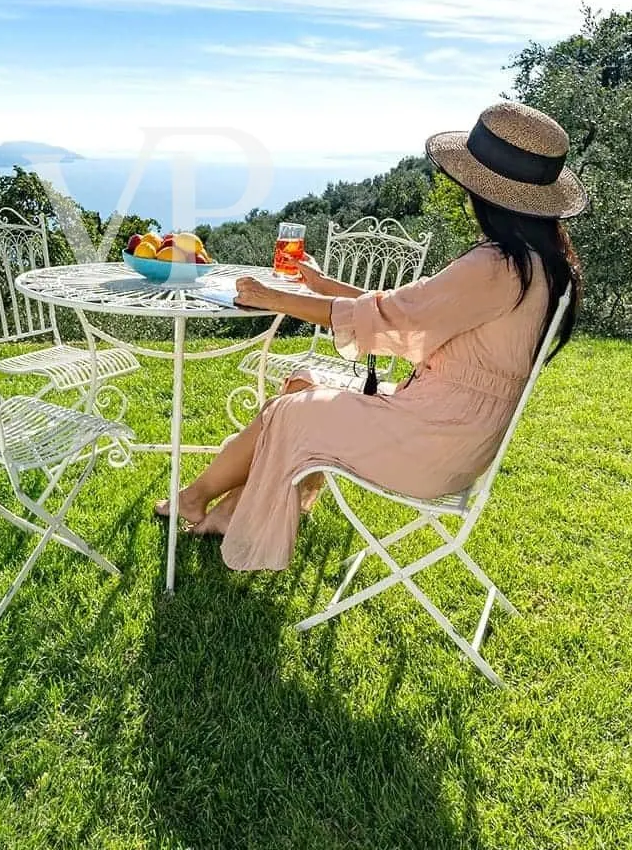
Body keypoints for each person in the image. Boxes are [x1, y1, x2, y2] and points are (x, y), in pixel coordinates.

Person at [156, 101, 587, 571]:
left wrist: (272, 298)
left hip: (432, 442)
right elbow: (410, 311)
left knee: (289, 411)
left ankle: (197, 499)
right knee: (302, 382)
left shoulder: (495, 266)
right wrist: (323, 288)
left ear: (484, 193)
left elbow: (397, 318)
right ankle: (218, 505)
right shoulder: (536, 264)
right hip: (458, 435)